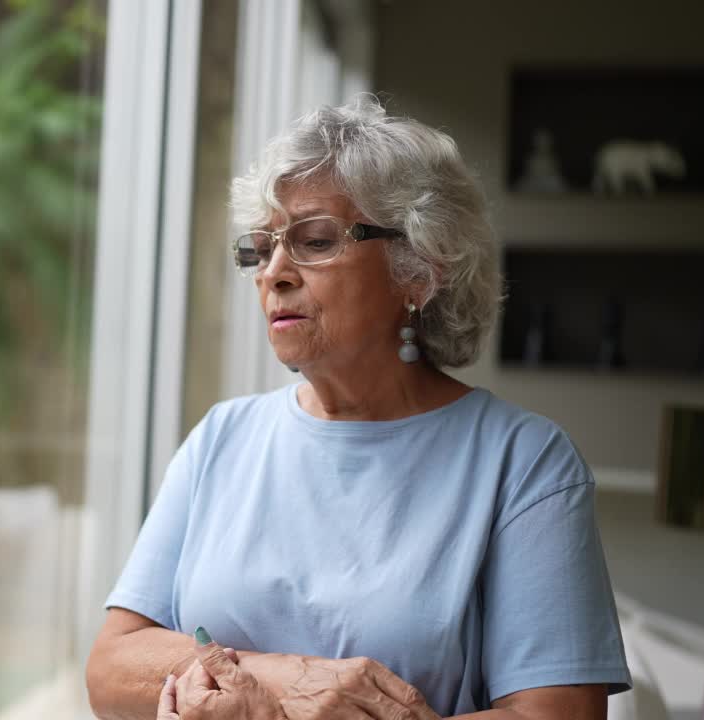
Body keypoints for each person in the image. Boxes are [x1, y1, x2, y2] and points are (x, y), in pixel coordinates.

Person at [86, 97, 631, 719]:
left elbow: (557, 716)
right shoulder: (221, 436)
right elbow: (111, 667)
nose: (275, 274)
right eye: (262, 250)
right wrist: (283, 681)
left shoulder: (526, 462)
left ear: (420, 271)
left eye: (314, 241)